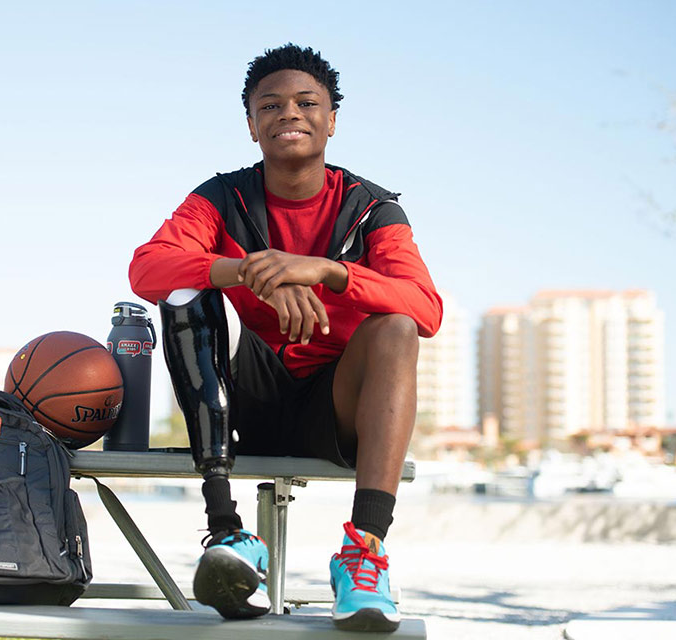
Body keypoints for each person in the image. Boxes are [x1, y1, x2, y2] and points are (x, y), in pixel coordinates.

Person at [128, 43, 442, 632]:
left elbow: (425, 308)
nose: (288, 113)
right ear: (252, 125)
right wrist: (252, 270)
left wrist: (326, 271)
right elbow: (148, 267)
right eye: (270, 105)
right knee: (183, 293)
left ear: (330, 120)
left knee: (397, 328)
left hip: (338, 407)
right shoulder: (222, 197)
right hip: (251, 396)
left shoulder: (371, 208)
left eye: (306, 102)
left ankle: (364, 552)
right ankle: (227, 533)